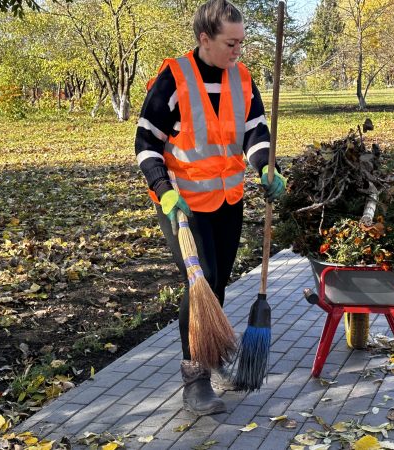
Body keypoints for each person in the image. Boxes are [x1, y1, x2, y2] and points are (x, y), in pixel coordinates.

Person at [134, 0, 286, 416]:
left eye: (241, 43)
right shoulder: (174, 78)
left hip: (227, 198)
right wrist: (163, 189)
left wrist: (265, 168)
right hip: (182, 202)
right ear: (205, 39)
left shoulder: (241, 78)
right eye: (230, 43)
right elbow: (146, 142)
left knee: (217, 287)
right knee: (201, 284)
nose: (237, 51)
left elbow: (255, 131)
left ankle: (213, 360)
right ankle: (195, 380)